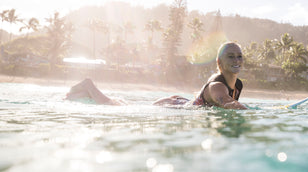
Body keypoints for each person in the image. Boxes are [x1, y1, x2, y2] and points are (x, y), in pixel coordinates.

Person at [65, 42, 248, 110]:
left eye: (239, 56)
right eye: (230, 56)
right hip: (172, 106)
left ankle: (83, 93)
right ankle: (89, 86)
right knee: (117, 108)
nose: (236, 60)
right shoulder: (217, 86)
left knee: (127, 105)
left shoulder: (237, 84)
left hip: (181, 102)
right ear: (219, 63)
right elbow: (226, 102)